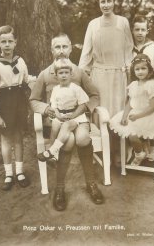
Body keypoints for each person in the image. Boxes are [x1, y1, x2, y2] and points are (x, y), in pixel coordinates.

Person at [30, 33, 104, 211]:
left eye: (65, 47)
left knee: (82, 138)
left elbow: (94, 95)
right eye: (57, 47)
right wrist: (47, 110)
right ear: (51, 50)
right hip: (57, 121)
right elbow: (34, 100)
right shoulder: (45, 74)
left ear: (71, 49)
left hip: (78, 118)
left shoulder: (78, 72)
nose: (61, 51)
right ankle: (60, 188)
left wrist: (84, 109)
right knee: (68, 141)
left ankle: (91, 183)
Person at [79, 0, 134, 165]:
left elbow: (128, 49)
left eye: (109, 1)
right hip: (99, 76)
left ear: (114, 2)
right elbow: (86, 52)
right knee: (101, 114)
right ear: (98, 4)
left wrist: (129, 73)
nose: (106, 4)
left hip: (119, 75)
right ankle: (103, 152)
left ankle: (120, 151)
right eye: (102, 1)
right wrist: (81, 75)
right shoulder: (92, 24)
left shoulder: (123, 22)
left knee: (118, 113)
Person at [0, 25, 35, 191]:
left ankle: (20, 172)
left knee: (18, 136)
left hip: (19, 102)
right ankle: (8, 173)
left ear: (15, 42)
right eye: (3, 42)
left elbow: (26, 79)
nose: (7, 44)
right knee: (6, 138)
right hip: (5, 103)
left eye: (10, 41)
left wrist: (37, 82)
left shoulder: (20, 61)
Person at [110, 54, 154, 166]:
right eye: (137, 69)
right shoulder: (134, 85)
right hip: (135, 113)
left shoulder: (152, 84)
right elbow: (130, 103)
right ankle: (142, 149)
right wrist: (125, 116)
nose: (140, 72)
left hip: (149, 115)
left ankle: (139, 154)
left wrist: (137, 116)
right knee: (120, 125)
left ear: (150, 69)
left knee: (132, 133)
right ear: (133, 71)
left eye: (143, 68)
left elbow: (153, 107)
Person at [37, 58, 89, 163]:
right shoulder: (56, 89)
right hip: (61, 115)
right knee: (55, 125)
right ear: (56, 75)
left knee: (67, 125)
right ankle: (53, 154)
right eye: (61, 73)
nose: (64, 75)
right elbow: (54, 106)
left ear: (71, 74)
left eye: (66, 72)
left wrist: (73, 115)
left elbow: (83, 105)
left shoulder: (76, 88)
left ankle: (52, 150)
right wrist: (58, 115)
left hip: (76, 116)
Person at [132, 14, 154, 88]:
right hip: (133, 89)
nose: (140, 33)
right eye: (137, 29)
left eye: (143, 30)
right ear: (132, 31)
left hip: (150, 88)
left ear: (147, 31)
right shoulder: (128, 48)